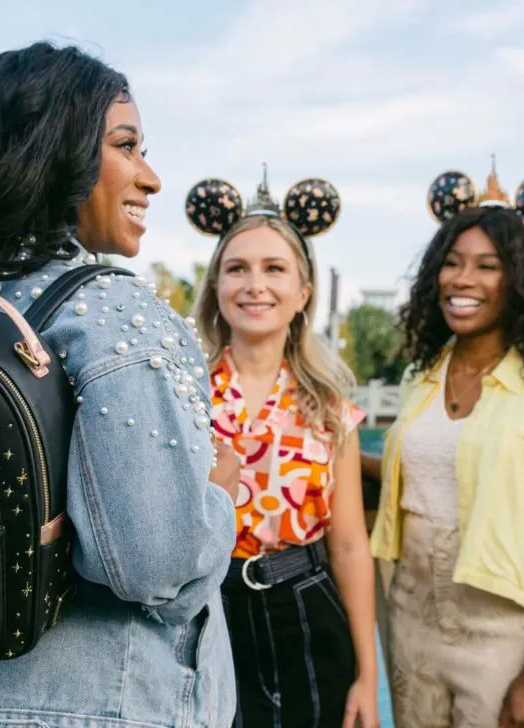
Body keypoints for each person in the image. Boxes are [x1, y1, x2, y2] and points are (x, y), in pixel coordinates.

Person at [0, 41, 238, 728]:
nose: (151, 178)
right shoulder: (111, 314)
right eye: (127, 146)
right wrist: (217, 490)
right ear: (56, 154)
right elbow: (155, 564)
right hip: (94, 705)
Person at [367, 163, 524, 728]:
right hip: (411, 608)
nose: (462, 280)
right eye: (452, 263)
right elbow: (421, 476)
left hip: (502, 628)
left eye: (488, 267)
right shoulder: (423, 376)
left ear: (522, 281)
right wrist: (337, 457)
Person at [189, 169, 380, 728]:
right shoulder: (185, 397)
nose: (255, 285)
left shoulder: (328, 407)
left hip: (307, 609)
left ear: (303, 292)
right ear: (216, 287)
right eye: (237, 269)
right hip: (210, 610)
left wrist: (368, 676)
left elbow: (348, 547)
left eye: (275, 269)